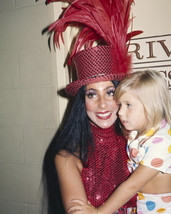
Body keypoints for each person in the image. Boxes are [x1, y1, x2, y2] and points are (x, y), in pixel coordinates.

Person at [43, 0, 142, 213]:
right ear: (82, 102)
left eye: (110, 92)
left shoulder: (140, 141)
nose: (103, 104)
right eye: (91, 94)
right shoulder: (67, 157)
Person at [69, 70, 171, 214]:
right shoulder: (138, 132)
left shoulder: (163, 142)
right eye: (120, 105)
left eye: (128, 105)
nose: (120, 112)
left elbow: (132, 186)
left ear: (151, 106)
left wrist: (99, 212)